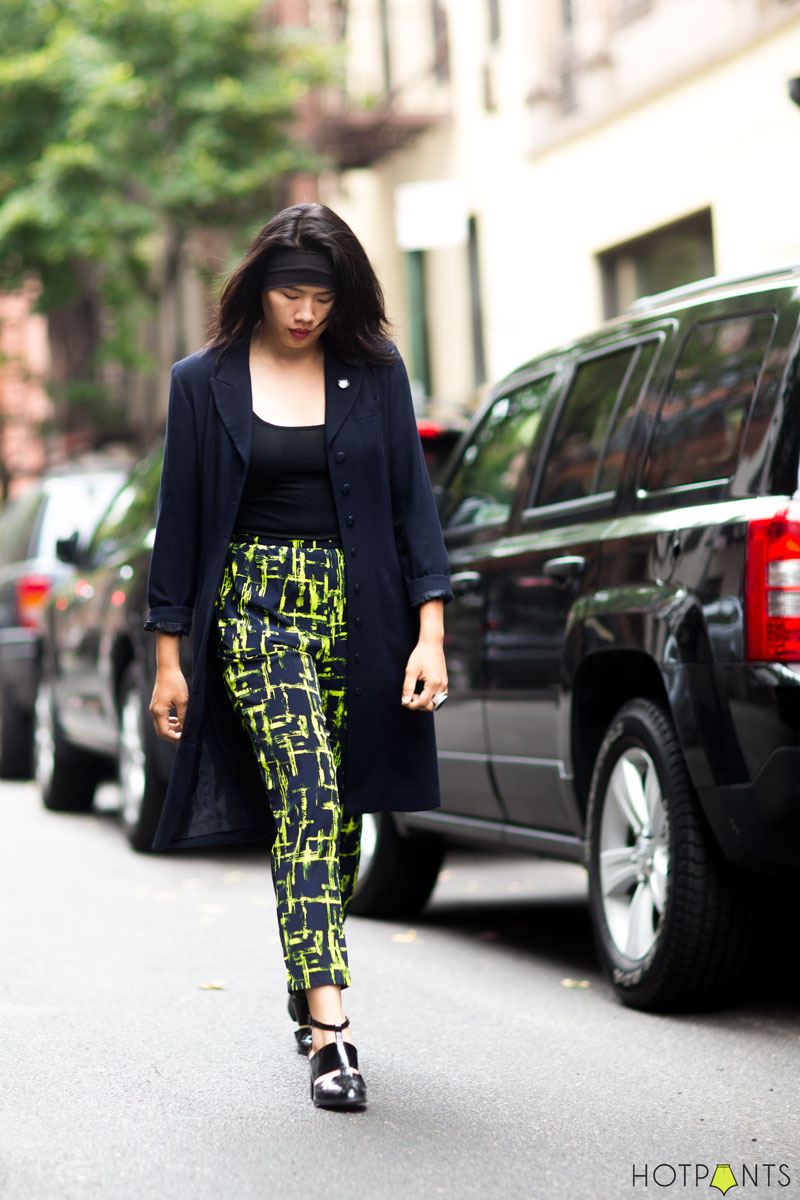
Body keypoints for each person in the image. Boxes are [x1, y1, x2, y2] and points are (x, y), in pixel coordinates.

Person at [145, 202, 451, 1110]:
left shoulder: (375, 372)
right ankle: (332, 1030)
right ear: (259, 289)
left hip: (364, 613)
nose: (306, 312)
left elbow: (412, 509)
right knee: (308, 791)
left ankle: (304, 965)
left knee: (342, 815)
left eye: (323, 295)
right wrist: (170, 655)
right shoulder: (203, 382)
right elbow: (183, 522)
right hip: (257, 612)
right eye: (291, 292)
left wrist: (431, 633)